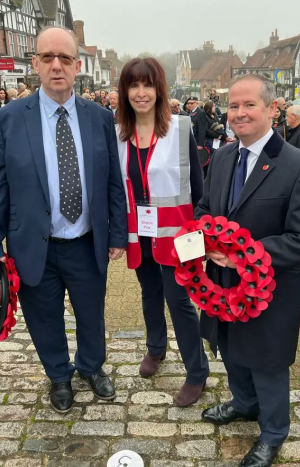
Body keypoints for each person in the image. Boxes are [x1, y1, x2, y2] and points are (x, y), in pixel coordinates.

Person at [0, 26, 128, 414]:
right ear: (36, 64)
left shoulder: (98, 117)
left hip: (86, 241)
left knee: (91, 314)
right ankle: (59, 376)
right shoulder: (9, 118)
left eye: (65, 58)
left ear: (78, 66)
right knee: (43, 318)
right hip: (33, 244)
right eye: (48, 57)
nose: (56, 66)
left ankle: (91, 367)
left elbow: (113, 180)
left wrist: (118, 234)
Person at [196, 73, 300, 467]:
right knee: (232, 352)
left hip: (267, 294)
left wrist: (242, 254)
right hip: (221, 288)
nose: (239, 113)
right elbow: (205, 210)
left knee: (267, 363)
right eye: (233, 105)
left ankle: (272, 432)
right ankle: (244, 403)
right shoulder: (222, 156)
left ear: (272, 109)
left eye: (249, 105)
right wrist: (203, 241)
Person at [114, 57, 210, 407]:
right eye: (134, 85)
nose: (141, 93)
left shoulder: (181, 128)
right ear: (124, 91)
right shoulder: (118, 134)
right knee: (149, 293)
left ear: (159, 89)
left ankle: (197, 371)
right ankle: (156, 348)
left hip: (178, 233)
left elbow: (198, 190)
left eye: (148, 85)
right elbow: (117, 189)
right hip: (140, 233)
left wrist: (201, 237)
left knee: (179, 300)